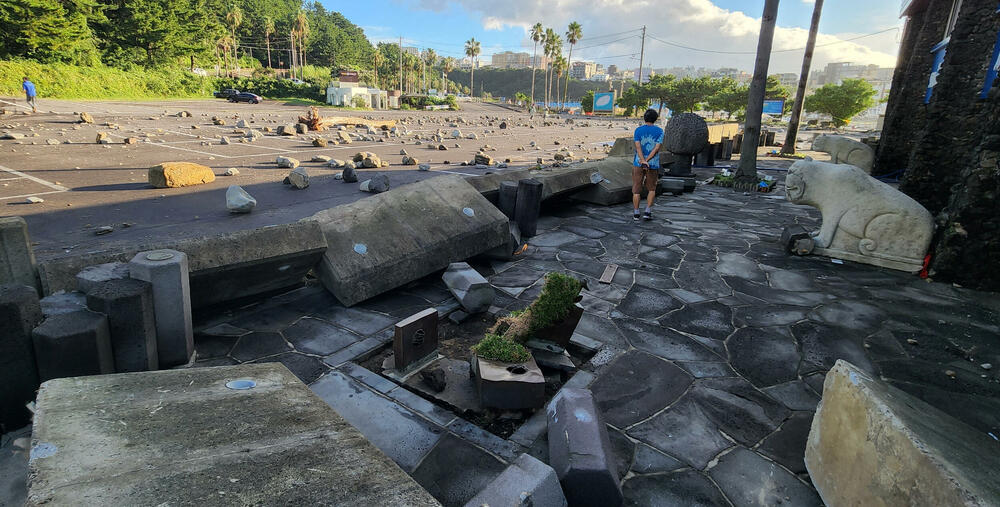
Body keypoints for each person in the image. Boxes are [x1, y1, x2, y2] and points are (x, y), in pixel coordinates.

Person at [632, 108, 663, 221]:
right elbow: (656, 148)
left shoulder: (638, 130)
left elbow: (638, 147)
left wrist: (642, 160)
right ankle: (647, 211)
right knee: (651, 189)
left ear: (644, 118)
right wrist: (647, 160)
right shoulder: (660, 131)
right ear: (655, 119)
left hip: (638, 163)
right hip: (652, 164)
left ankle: (636, 213)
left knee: (636, 189)